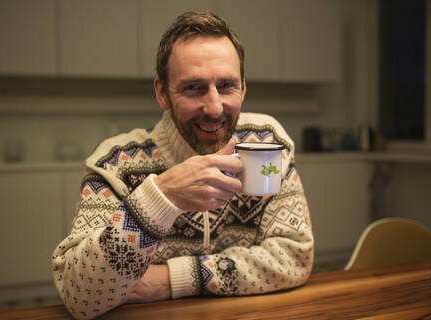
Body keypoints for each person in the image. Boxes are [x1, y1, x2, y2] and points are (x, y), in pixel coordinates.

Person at [52, 11, 314, 320]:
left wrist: (173, 279)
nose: (214, 108)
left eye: (227, 85)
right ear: (162, 93)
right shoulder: (115, 164)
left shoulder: (266, 143)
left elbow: (294, 256)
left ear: (244, 87)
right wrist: (160, 198)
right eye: (193, 88)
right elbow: (81, 295)